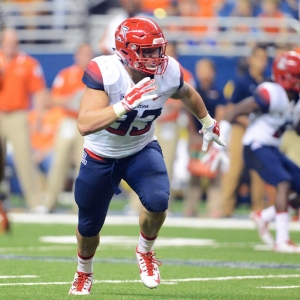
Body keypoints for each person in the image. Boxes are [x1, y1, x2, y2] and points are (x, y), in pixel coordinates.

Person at [68, 16, 225, 295]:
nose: (155, 57)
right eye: (147, 51)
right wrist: (124, 105)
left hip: (140, 149)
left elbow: (186, 93)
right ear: (126, 50)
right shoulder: (105, 70)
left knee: (157, 202)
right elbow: (85, 123)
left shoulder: (168, 72)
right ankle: (84, 271)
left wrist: (207, 121)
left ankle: (145, 252)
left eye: (157, 50)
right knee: (88, 226)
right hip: (100, 155)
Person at [209, 51, 300, 253]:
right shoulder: (271, 93)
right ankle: (282, 240)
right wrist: (218, 142)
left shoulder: (296, 100)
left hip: (272, 148)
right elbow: (233, 112)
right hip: (255, 145)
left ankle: (264, 217)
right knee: (283, 182)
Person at [41, 43, 94, 213]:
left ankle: (79, 205)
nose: (85, 57)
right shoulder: (66, 75)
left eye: (88, 54)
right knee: (59, 162)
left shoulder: (96, 76)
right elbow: (52, 99)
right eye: (83, 54)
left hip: (87, 123)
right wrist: (72, 99)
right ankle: (50, 200)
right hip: (68, 121)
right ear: (77, 56)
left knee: (83, 164)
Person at [0, 28, 46, 211]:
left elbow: (39, 91)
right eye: (7, 41)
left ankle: (35, 201)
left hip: (18, 115)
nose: (11, 45)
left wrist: (39, 115)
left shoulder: (28, 63)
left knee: (24, 159)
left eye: (14, 41)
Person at [220, 45, 269, 218]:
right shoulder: (241, 82)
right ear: (250, 60)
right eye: (259, 58)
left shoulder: (266, 83)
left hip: (260, 131)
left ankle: (258, 209)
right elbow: (231, 108)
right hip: (241, 128)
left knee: (259, 170)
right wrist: (247, 122)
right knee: (234, 168)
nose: (262, 62)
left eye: (264, 59)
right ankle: (225, 208)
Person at [185, 58, 226, 218]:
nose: (202, 73)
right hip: (196, 136)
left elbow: (221, 113)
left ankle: (215, 208)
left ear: (213, 72)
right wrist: (193, 134)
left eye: (205, 69)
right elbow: (188, 113)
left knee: (214, 172)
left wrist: (215, 135)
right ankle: (190, 208)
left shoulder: (218, 92)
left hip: (212, 137)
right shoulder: (193, 91)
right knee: (194, 173)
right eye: (199, 69)